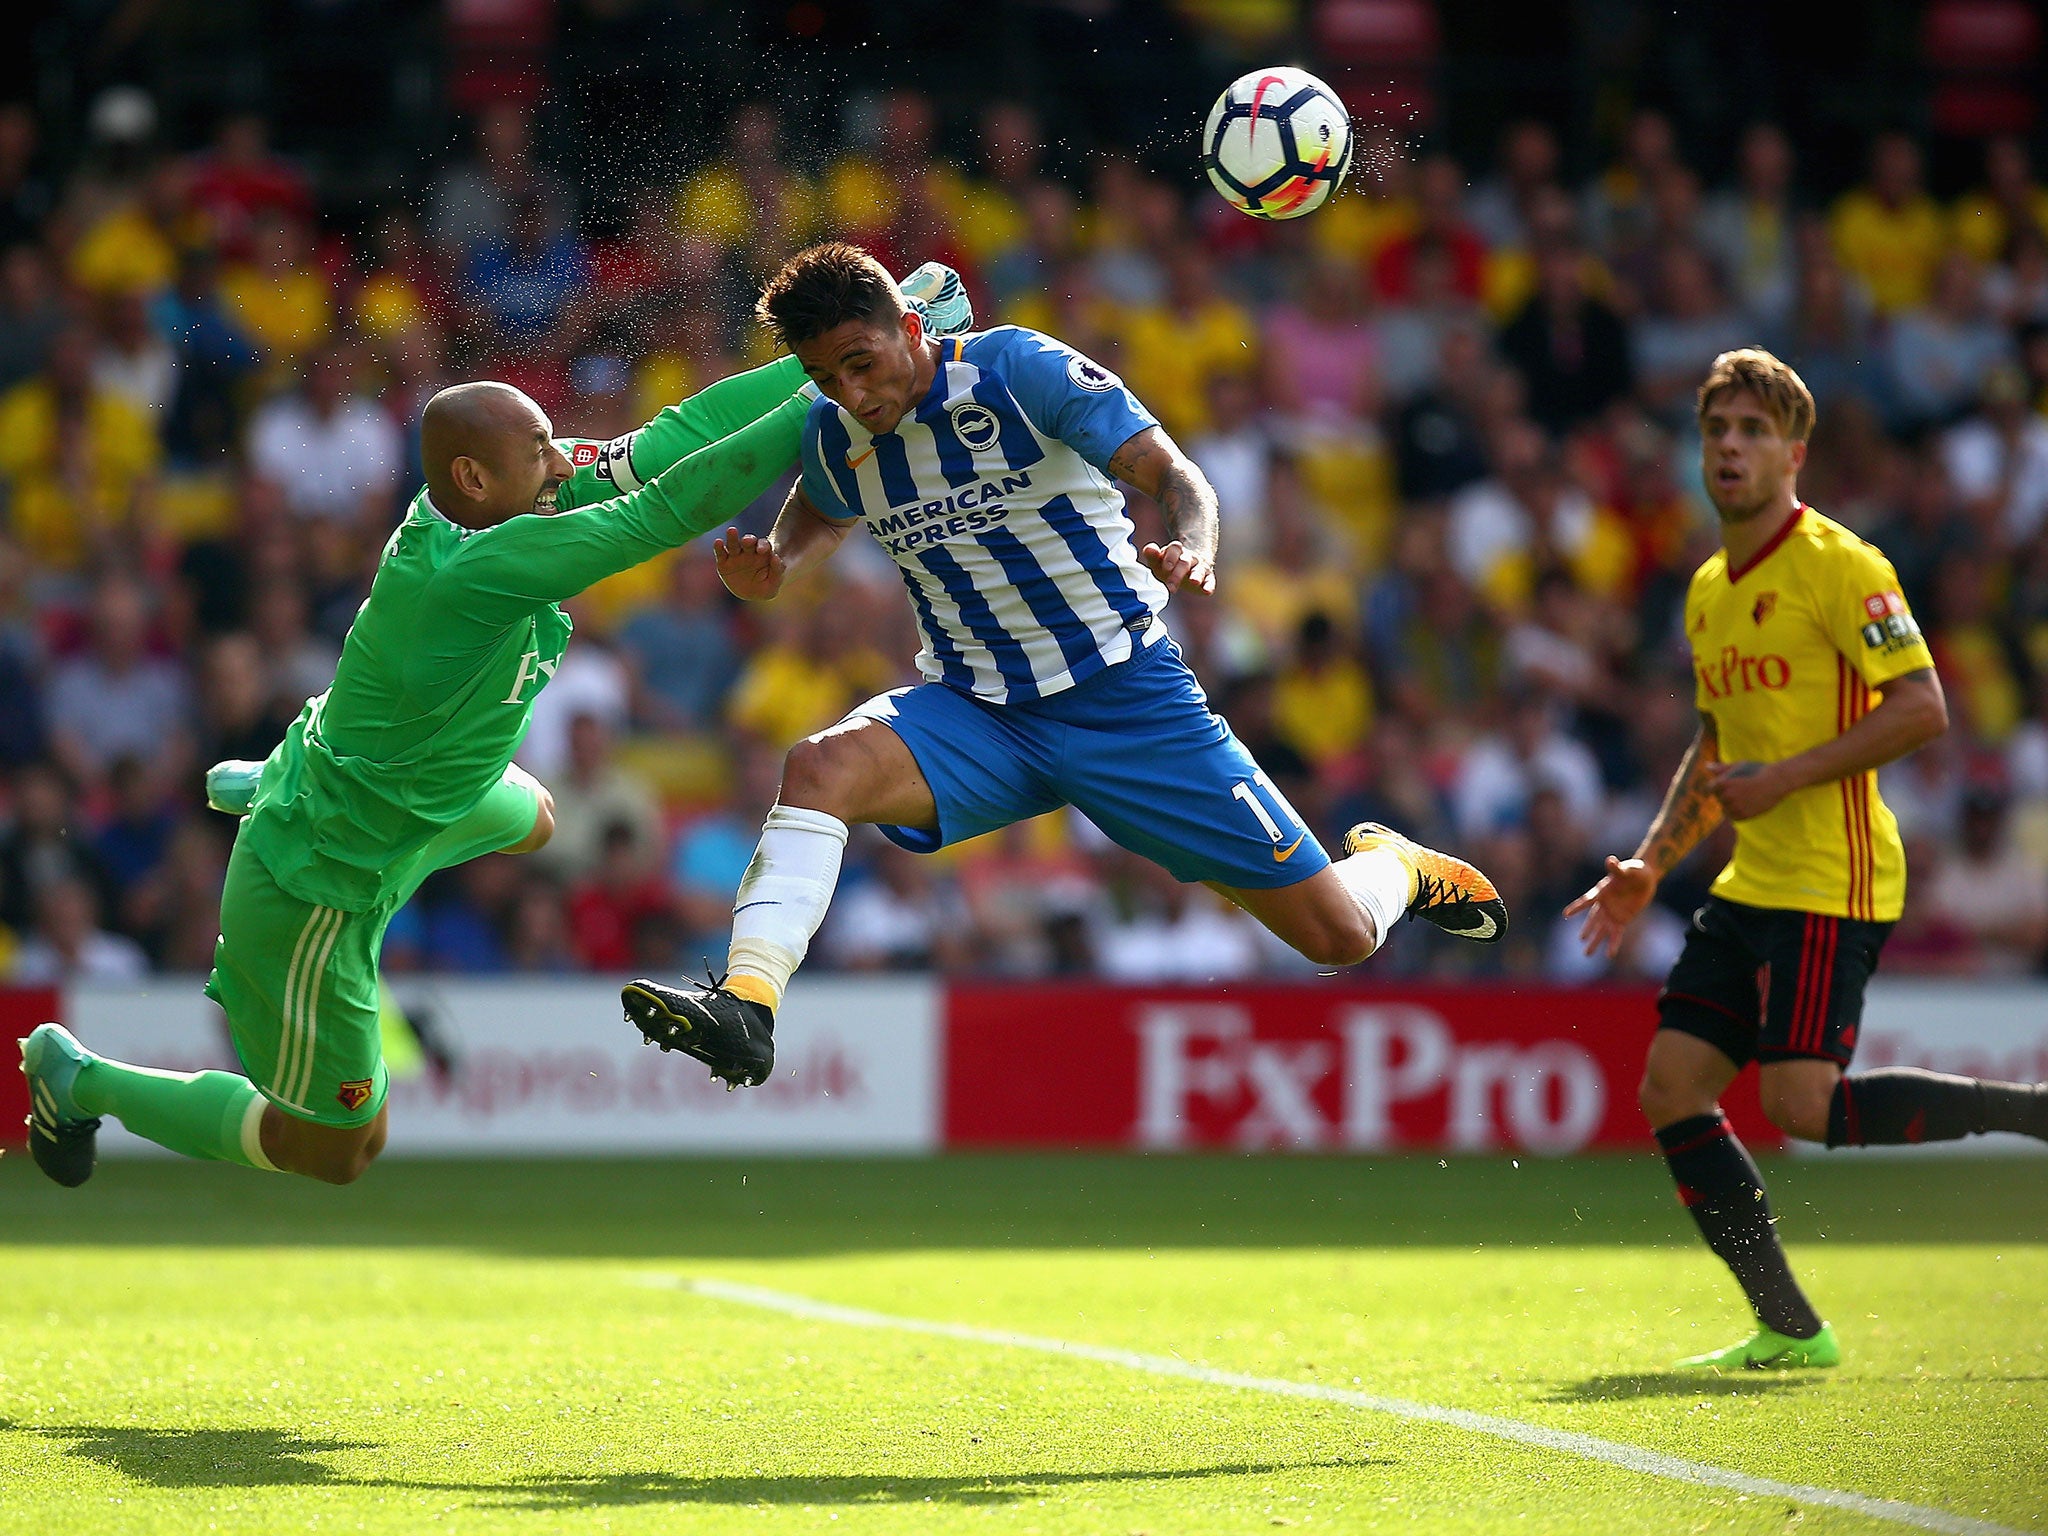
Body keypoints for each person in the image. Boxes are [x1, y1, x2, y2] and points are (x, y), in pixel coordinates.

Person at [621, 243, 1507, 1087]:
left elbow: (1178, 475)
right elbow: (823, 507)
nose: (853, 392)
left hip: (1126, 699)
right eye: (826, 378)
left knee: (1340, 936)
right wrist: (778, 561)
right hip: (979, 709)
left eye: (862, 362)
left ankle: (1398, 866)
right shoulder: (837, 432)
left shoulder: (1018, 371)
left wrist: (1193, 546)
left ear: (911, 327)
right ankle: (746, 1006)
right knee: (816, 768)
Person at [18, 340, 835, 1188]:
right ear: (478, 480)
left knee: (542, 819)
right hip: (321, 885)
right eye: (540, 453)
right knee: (338, 1151)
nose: (563, 464)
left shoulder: (477, 507)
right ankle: (79, 1079)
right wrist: (836, 400)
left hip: (421, 796)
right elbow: (664, 512)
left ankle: (278, 779)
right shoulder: (486, 565)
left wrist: (823, 356)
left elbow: (672, 436)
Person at [1565, 349, 2048, 1372]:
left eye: (1749, 431)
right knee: (1668, 1088)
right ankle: (1789, 1329)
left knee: (1799, 1110)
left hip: (1833, 877)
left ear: (1793, 450)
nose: (1728, 448)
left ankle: (2032, 1117)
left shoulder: (1841, 565)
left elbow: (1921, 709)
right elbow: (1710, 745)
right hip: (1750, 882)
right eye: (1714, 431)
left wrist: (1785, 778)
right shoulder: (1704, 590)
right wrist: (1652, 863)